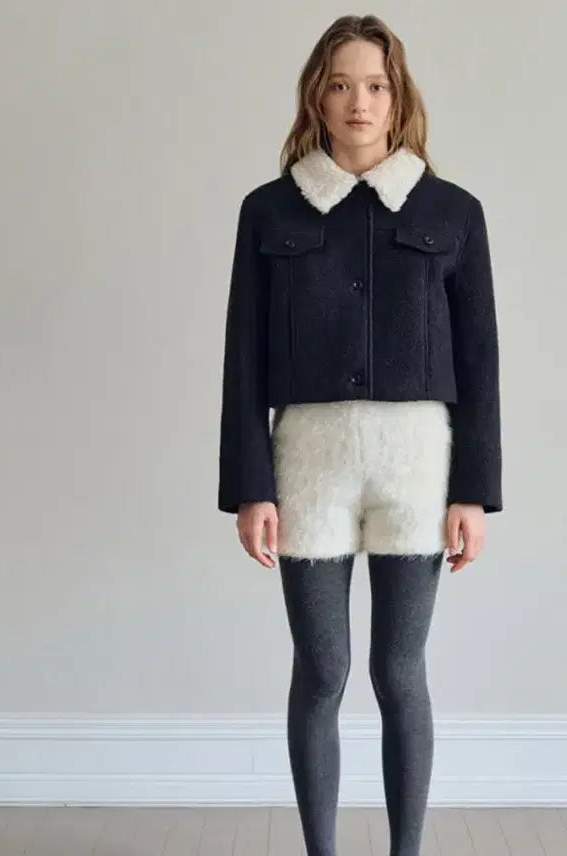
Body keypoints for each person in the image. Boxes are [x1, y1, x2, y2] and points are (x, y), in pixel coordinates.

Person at [217, 14, 502, 856]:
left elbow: (481, 362)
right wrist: (250, 487)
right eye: (340, 84)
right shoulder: (268, 211)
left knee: (399, 672)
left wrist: (474, 492)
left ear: (398, 96)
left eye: (375, 85)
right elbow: (242, 359)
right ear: (318, 96)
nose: (359, 102)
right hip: (307, 465)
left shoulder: (453, 212)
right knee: (322, 671)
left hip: (417, 468)